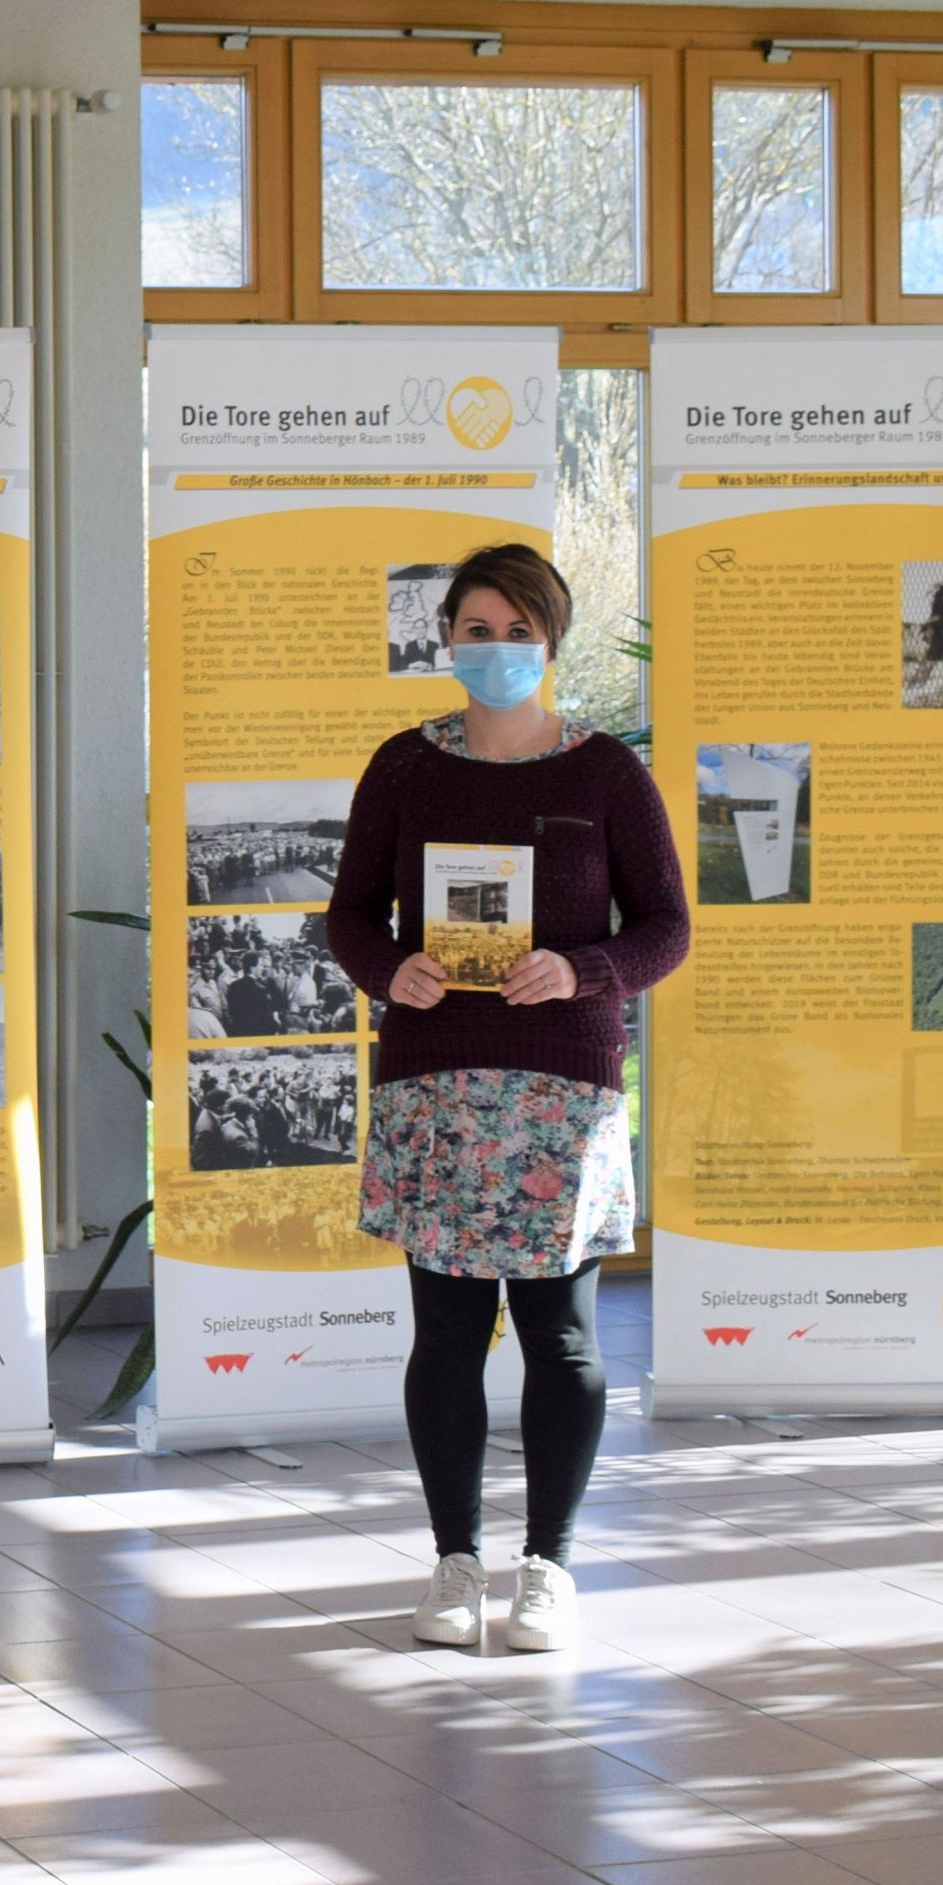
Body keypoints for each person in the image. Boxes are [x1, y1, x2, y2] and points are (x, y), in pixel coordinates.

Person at [324, 542, 685, 1655]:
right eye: (473, 631)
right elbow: (349, 917)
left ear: (552, 639)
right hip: (435, 1083)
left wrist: (584, 970)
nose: (494, 650)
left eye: (515, 630)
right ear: (448, 640)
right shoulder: (402, 767)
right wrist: (392, 971)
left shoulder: (607, 774)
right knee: (445, 1334)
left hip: (561, 1093)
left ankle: (549, 1567)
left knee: (559, 1336)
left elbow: (665, 926)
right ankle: (452, 1565)